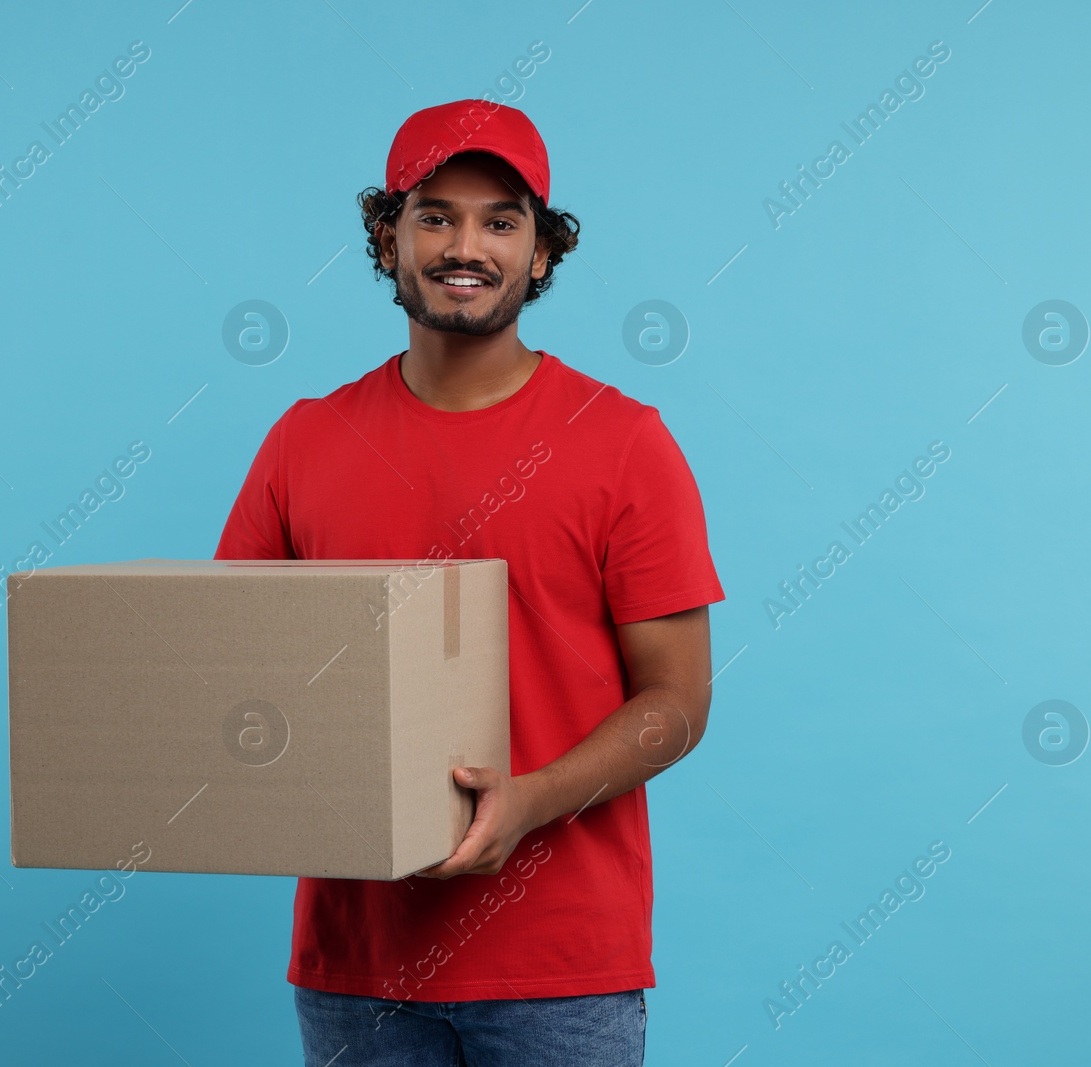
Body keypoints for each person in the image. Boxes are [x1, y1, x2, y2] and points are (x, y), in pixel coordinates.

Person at [214, 98, 725, 1067]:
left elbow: (679, 703)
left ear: (540, 253)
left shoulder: (624, 444)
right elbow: (239, 674)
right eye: (435, 214)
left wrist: (528, 798)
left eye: (501, 220)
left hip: (560, 969)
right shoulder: (305, 441)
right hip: (357, 968)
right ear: (386, 238)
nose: (466, 245)